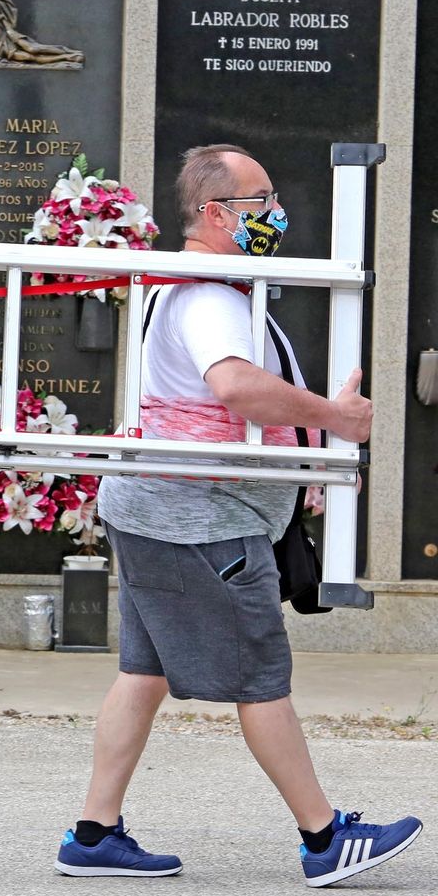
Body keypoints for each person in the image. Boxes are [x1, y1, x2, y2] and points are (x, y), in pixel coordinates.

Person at [54, 144, 421, 887]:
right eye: (260, 199)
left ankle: (93, 834)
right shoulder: (211, 298)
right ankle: (325, 839)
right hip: (199, 522)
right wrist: (336, 419)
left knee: (143, 671)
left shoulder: (194, 284)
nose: (276, 211)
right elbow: (236, 387)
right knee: (261, 676)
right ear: (215, 213)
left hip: (158, 512)